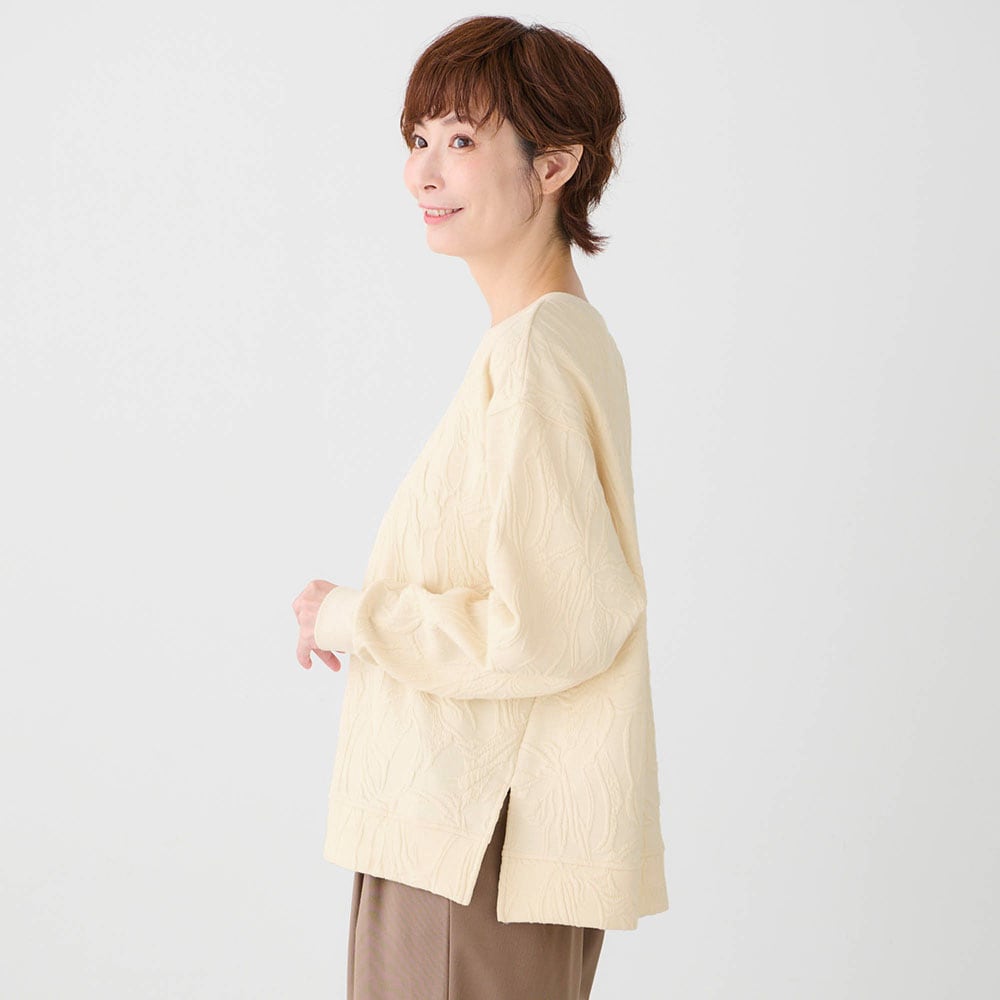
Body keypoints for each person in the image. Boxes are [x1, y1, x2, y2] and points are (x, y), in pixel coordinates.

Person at [291, 14, 668, 999]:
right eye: (418, 138)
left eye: (460, 140)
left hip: (469, 843)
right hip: (477, 834)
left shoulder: (534, 356)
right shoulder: (556, 341)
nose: (422, 172)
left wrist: (349, 616)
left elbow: (547, 625)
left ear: (553, 166)